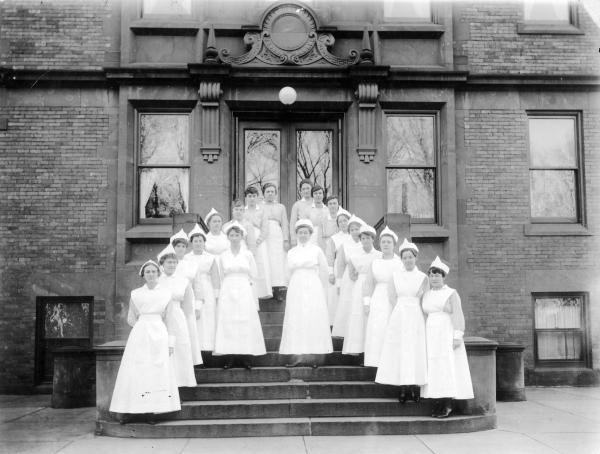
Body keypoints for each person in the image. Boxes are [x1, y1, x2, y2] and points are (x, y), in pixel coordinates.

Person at [109, 260, 180, 423]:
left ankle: (152, 411)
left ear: (158, 273)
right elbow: (131, 318)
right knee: (135, 370)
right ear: (143, 275)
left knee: (155, 371)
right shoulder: (136, 293)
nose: (150, 274)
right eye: (147, 272)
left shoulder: (166, 293)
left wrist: (170, 342)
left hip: (159, 334)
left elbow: (170, 320)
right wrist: (142, 327)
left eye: (153, 271)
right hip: (140, 335)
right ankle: (130, 411)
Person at [375, 238, 428, 404]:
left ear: (415, 258)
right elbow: (391, 298)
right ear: (401, 260)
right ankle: (403, 388)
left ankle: (415, 386)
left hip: (416, 315)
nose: (408, 260)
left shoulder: (422, 277)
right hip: (400, 315)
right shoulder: (395, 276)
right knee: (401, 350)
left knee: (415, 349)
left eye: (410, 257)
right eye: (404, 258)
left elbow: (425, 299)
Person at [422, 256, 474, 418]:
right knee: (434, 367)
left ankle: (447, 404)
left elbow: (458, 314)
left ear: (443, 277)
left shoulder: (451, 293)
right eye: (431, 275)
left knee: (446, 366)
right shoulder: (426, 294)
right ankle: (436, 402)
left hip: (445, 332)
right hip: (431, 334)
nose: (434, 278)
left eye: (437, 275)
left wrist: (457, 335)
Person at [279, 219, 333, 367]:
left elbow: (323, 271)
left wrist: (319, 288)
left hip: (313, 286)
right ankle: (298, 357)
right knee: (297, 319)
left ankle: (314, 357)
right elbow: (287, 273)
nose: (303, 235)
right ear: (296, 234)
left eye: (305, 232)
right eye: (300, 232)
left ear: (310, 234)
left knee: (312, 318)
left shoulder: (316, 250)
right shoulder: (291, 252)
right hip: (296, 286)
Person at [214, 221, 267, 369]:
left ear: (242, 237)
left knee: (245, 321)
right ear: (228, 237)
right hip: (228, 288)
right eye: (231, 235)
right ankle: (230, 357)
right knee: (229, 322)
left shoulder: (248, 254)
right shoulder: (223, 256)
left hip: (244, 288)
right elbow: (220, 275)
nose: (234, 237)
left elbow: (253, 274)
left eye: (237, 235)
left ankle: (245, 357)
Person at [157, 244, 198, 386]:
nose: (172, 265)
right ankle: (163, 384)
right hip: (160, 318)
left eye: (174, 262)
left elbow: (187, 306)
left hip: (178, 317)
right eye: (169, 262)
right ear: (162, 263)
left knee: (180, 347)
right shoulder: (156, 281)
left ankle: (181, 383)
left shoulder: (183, 281)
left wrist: (186, 322)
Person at [363, 227, 403, 368]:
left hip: (395, 298)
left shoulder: (400, 263)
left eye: (389, 242)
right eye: (383, 242)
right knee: (377, 328)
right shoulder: (375, 262)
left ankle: (391, 363)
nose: (386, 244)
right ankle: (376, 363)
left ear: (394, 245)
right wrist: (367, 303)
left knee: (391, 328)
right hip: (378, 298)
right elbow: (368, 284)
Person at [342, 223, 382, 357]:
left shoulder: (379, 255)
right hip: (359, 286)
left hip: (375, 286)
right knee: (358, 314)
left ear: (373, 239)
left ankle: (372, 348)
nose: (365, 240)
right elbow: (351, 274)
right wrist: (360, 279)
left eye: (368, 238)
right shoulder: (355, 255)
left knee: (372, 315)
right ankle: (357, 348)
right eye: (363, 238)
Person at [185, 223, 220, 353]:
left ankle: (208, 348)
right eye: (195, 241)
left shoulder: (210, 258)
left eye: (200, 241)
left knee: (207, 317)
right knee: (194, 318)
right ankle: (195, 349)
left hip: (207, 288)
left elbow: (215, 277)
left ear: (204, 243)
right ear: (191, 243)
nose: (198, 243)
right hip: (191, 289)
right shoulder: (186, 258)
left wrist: (216, 294)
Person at [170, 229, 202, 365]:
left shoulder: (192, 265)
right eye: (178, 246)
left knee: (189, 330)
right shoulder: (168, 264)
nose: (181, 249)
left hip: (188, 301)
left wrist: (198, 305)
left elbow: (198, 286)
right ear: (173, 248)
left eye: (183, 246)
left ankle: (189, 362)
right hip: (173, 301)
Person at [331, 215, 364, 337]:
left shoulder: (365, 244)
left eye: (357, 229)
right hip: (347, 279)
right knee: (347, 303)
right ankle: (346, 332)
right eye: (352, 230)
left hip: (361, 278)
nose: (355, 232)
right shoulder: (344, 245)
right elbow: (340, 266)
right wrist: (339, 284)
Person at [244, 186, 273, 299]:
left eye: (254, 196)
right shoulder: (243, 210)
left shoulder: (261, 211)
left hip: (258, 240)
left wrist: (258, 241)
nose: (252, 199)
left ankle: (263, 292)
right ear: (246, 198)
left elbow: (265, 228)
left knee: (261, 263)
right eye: (249, 196)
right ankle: (249, 291)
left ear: (257, 197)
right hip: (245, 239)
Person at [261, 182, 289, 293]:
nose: (270, 194)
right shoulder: (260, 207)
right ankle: (267, 288)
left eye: (272, 192)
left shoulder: (281, 207)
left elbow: (285, 224)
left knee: (278, 260)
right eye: (268, 191)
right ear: (263, 193)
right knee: (266, 259)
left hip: (277, 235)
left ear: (276, 193)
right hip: (264, 235)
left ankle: (278, 287)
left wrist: (286, 239)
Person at [325, 208, 350, 325]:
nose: (343, 223)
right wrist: (330, 273)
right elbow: (330, 257)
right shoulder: (334, 238)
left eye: (345, 221)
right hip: (338, 270)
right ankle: (336, 324)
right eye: (340, 222)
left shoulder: (356, 236)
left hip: (351, 270)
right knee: (336, 296)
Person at [289, 179, 313, 246]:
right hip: (302, 234)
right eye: (303, 189)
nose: (306, 191)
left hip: (315, 235)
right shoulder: (297, 204)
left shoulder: (316, 203)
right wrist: (293, 237)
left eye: (308, 188)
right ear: (301, 191)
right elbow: (292, 223)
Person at [307, 185, 328, 251]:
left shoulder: (327, 209)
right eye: (315, 193)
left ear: (323, 195)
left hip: (325, 237)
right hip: (312, 237)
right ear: (312, 195)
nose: (318, 195)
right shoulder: (307, 209)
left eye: (320, 193)